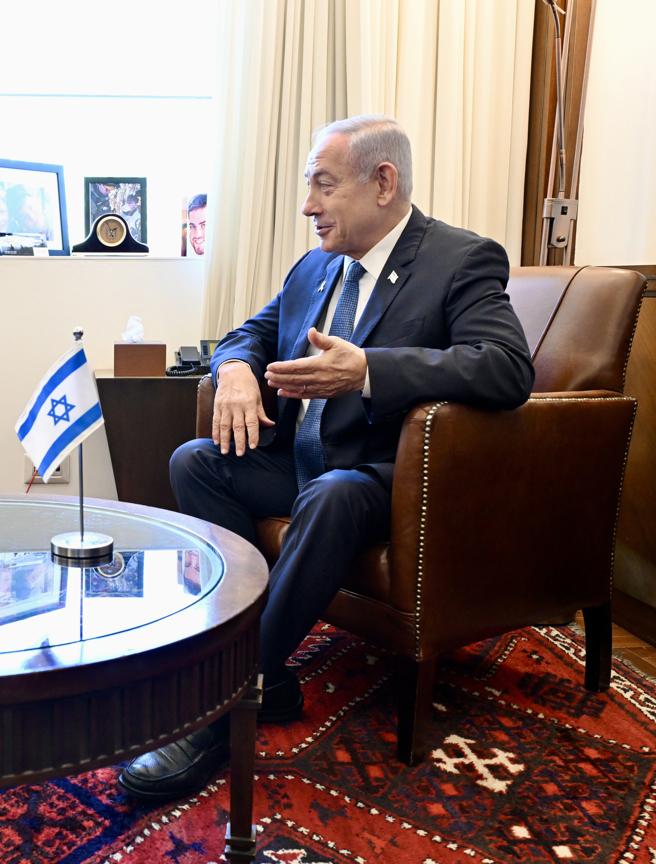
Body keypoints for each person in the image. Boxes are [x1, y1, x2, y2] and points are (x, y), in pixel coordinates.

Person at [118, 115, 534, 801]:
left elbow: (504, 368)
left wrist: (369, 369)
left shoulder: (460, 259)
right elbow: (245, 333)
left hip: (385, 477)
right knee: (196, 459)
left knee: (332, 494)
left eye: (324, 185)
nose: (309, 205)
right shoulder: (315, 266)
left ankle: (226, 697)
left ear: (383, 183)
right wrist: (235, 372)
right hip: (303, 460)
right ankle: (269, 672)